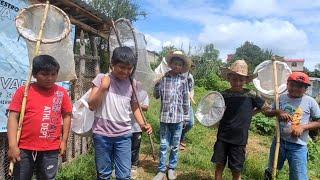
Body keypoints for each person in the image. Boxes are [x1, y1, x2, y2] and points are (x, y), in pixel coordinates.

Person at [88, 46, 152, 180]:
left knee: (124, 175)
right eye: (121, 67)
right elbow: (92, 106)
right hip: (102, 135)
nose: (125, 71)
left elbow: (135, 107)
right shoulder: (101, 79)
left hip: (123, 136)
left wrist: (142, 124)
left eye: (129, 68)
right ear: (112, 64)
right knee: (104, 174)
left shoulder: (133, 84)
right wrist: (103, 88)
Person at [7, 55, 72, 179]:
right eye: (44, 74)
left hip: (50, 148)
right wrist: (13, 145)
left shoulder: (61, 93)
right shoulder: (24, 91)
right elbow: (13, 117)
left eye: (53, 74)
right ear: (35, 74)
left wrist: (63, 141)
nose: (49, 78)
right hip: (24, 148)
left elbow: (67, 116)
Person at [212, 60, 267, 180]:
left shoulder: (251, 95)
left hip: (239, 139)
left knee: (236, 169)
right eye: (234, 79)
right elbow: (215, 112)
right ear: (229, 78)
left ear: (246, 80)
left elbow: (264, 107)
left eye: (241, 79)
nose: (237, 82)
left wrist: (250, 114)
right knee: (219, 165)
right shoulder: (223, 95)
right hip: (223, 136)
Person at [264, 72, 320, 180]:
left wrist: (302, 127)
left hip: (298, 146)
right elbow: (267, 112)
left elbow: (318, 122)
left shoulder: (310, 102)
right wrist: (278, 112)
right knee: (271, 171)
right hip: (279, 142)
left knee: (298, 176)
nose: (295, 88)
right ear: (287, 84)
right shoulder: (280, 98)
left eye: (300, 86)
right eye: (292, 85)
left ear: (306, 88)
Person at [153, 50, 190, 180]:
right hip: (165, 118)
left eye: (179, 64)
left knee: (175, 145)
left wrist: (186, 116)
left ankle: (172, 169)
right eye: (175, 63)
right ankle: (161, 170)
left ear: (182, 67)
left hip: (178, 118)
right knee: (163, 145)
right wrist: (156, 84)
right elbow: (156, 96)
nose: (177, 66)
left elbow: (186, 99)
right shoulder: (163, 78)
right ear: (170, 64)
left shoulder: (183, 80)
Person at [130, 81, 149, 179]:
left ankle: (133, 166)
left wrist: (136, 104)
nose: (138, 82)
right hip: (126, 125)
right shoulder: (127, 90)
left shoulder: (143, 92)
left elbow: (146, 107)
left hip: (137, 125)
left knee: (135, 146)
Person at [180, 64, 196, 150]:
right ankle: (178, 140)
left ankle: (181, 136)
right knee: (180, 122)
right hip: (179, 103)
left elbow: (191, 89)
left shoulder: (190, 77)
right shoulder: (179, 75)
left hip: (188, 102)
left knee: (190, 123)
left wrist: (191, 97)